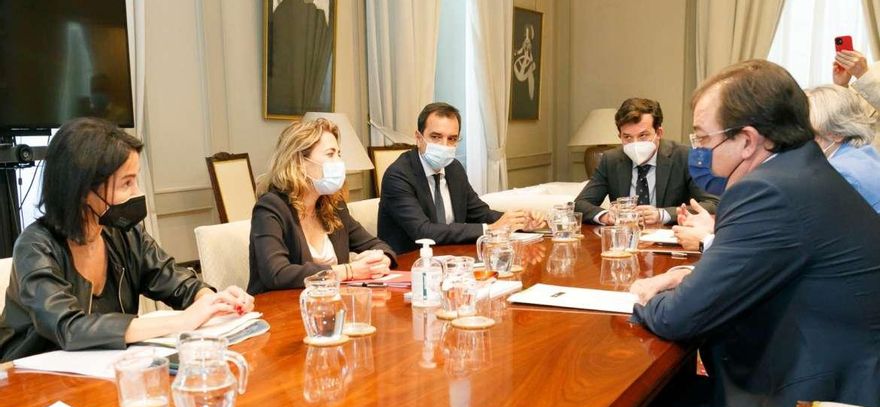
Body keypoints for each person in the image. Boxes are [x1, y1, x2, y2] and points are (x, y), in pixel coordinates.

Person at [623, 60, 880, 407]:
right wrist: (686, 277)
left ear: (746, 140)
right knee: (657, 406)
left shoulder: (768, 190)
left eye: (703, 138)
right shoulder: (805, 170)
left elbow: (679, 318)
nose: (698, 150)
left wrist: (647, 298)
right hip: (833, 374)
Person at [0, 118, 253, 361]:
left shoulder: (125, 234)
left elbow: (175, 281)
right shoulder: (35, 246)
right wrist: (181, 321)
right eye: (126, 183)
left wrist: (211, 300)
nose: (138, 192)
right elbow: (68, 327)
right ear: (83, 190)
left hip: (103, 371)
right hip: (28, 380)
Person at [674, 82, 880, 250]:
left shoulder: (840, 174)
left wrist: (709, 238)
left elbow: (783, 246)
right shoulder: (864, 157)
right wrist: (717, 228)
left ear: (836, 134)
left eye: (807, 134)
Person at [248, 118, 396, 294]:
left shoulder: (334, 205)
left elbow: (377, 245)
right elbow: (276, 273)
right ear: (299, 162)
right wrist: (348, 271)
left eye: (339, 154)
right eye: (330, 154)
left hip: (328, 303)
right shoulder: (270, 208)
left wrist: (382, 259)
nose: (339, 162)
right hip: (278, 306)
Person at [377, 102, 543, 254]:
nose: (444, 146)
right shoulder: (398, 175)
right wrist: (490, 229)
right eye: (436, 137)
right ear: (419, 138)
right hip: (409, 263)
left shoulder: (453, 168)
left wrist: (518, 223)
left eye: (452, 139)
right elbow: (423, 231)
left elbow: (480, 213)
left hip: (453, 258)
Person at [573, 98, 719, 226]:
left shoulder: (685, 156)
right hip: (625, 239)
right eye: (627, 137)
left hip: (672, 239)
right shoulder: (611, 160)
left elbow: (714, 204)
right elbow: (580, 204)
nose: (635, 143)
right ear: (620, 136)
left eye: (643, 135)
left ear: (659, 133)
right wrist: (606, 216)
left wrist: (663, 214)